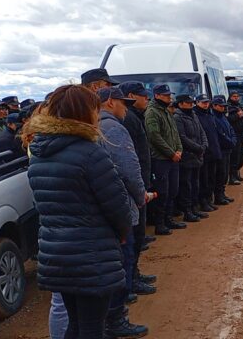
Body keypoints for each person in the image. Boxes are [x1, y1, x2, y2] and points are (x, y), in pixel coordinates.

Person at [23, 84, 131, 339]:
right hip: (91, 254)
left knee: (75, 323)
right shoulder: (90, 152)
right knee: (93, 326)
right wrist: (124, 231)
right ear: (85, 112)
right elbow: (117, 205)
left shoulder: (39, 153)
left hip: (56, 252)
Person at [96, 87, 150, 338]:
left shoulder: (91, 125)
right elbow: (129, 168)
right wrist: (141, 197)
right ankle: (116, 319)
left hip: (98, 211)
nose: (125, 107)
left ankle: (109, 317)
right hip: (120, 205)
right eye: (122, 102)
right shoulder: (114, 128)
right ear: (109, 103)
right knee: (122, 260)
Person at [118, 81, 157, 297]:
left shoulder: (133, 116)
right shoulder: (128, 119)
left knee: (138, 235)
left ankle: (135, 275)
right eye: (143, 96)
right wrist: (139, 187)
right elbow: (129, 159)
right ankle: (130, 283)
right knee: (133, 236)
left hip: (139, 181)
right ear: (131, 96)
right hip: (134, 187)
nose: (147, 99)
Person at [145, 84, 185, 235]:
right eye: (166, 95)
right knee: (163, 192)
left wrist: (179, 149)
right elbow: (154, 137)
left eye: (170, 95)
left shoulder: (166, 112)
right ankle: (159, 223)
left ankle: (169, 219)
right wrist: (171, 153)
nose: (170, 98)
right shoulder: (152, 112)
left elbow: (174, 134)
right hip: (161, 159)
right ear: (157, 96)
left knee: (173, 190)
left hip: (173, 158)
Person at [173, 94, 209, 222]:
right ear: (181, 104)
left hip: (197, 156)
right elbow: (182, 138)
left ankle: (194, 208)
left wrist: (204, 145)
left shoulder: (193, 115)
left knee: (195, 183)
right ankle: (187, 211)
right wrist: (198, 148)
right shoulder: (177, 117)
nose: (191, 104)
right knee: (186, 185)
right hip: (187, 157)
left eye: (191, 102)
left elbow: (201, 132)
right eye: (188, 103)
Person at [194, 94, 222, 211]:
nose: (206, 104)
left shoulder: (209, 114)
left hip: (213, 151)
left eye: (207, 102)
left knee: (211, 178)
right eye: (203, 102)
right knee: (203, 179)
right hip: (204, 152)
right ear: (197, 103)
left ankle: (209, 200)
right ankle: (203, 202)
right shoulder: (196, 115)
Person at [211, 95, 237, 204]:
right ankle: (218, 197)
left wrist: (233, 140)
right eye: (221, 106)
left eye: (224, 106)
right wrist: (230, 142)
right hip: (221, 150)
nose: (223, 108)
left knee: (225, 173)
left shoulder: (222, 117)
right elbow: (220, 135)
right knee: (220, 174)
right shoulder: (213, 118)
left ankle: (222, 194)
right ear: (214, 106)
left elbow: (231, 130)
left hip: (227, 150)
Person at [227, 91, 243, 184]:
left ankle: (237, 174)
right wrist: (238, 115)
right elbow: (229, 119)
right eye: (234, 96)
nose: (236, 98)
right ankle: (232, 177)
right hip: (235, 135)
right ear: (230, 97)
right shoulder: (228, 107)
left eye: (237, 96)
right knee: (235, 156)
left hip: (242, 134)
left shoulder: (240, 106)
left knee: (241, 156)